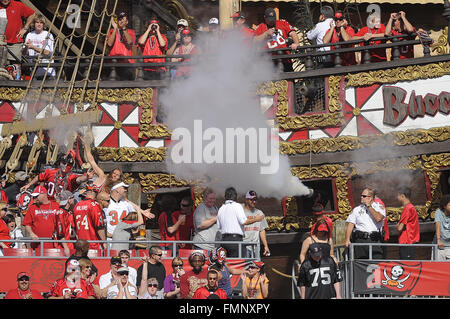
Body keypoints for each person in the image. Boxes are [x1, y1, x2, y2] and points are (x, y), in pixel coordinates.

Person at [21, 152, 91, 201]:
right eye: (64, 163)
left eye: (68, 164)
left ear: (72, 167)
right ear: (60, 163)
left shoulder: (71, 176)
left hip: (62, 205)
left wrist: (86, 177)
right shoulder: (50, 172)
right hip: (48, 202)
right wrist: (28, 185)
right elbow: (39, 177)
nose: (66, 166)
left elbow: (79, 179)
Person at [217, 187, 264, 257]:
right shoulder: (237, 206)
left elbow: (219, 226)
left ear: (225, 197)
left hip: (224, 240)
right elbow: (243, 221)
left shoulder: (221, 208)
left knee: (226, 264)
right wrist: (256, 219)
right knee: (238, 264)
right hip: (235, 240)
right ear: (235, 196)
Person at [253, 7, 300, 72]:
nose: (272, 21)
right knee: (271, 82)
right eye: (269, 20)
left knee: (288, 81)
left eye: (273, 19)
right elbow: (254, 40)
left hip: (285, 60)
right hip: (269, 62)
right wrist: (265, 34)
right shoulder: (260, 27)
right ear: (265, 18)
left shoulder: (282, 23)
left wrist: (296, 43)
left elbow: (293, 33)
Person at [344, 187, 385, 259]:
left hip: (374, 240)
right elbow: (350, 224)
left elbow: (378, 218)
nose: (361, 197)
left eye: (364, 196)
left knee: (376, 263)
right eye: (361, 195)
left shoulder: (379, 207)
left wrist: (369, 207)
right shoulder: (357, 209)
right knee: (360, 263)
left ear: (370, 198)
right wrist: (347, 239)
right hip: (360, 240)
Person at [1, 0, 35, 78]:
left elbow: (32, 14)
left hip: (15, 42)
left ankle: (16, 85)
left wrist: (25, 28)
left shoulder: (18, 5)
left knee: (16, 65)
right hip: (1, 42)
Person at [22, 185, 59, 251]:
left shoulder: (56, 206)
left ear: (44, 195)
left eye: (36, 196)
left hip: (54, 244)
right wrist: (31, 233)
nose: (35, 198)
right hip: (37, 244)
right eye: (34, 196)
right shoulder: (32, 208)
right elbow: (27, 224)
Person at [73, 184, 106, 250]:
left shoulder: (77, 205)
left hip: (81, 244)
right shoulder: (94, 205)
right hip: (93, 243)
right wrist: (104, 242)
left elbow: (74, 227)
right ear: (95, 193)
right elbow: (99, 226)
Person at [23, 13, 55, 79]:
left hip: (47, 71)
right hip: (34, 72)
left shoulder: (48, 35)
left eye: (41, 22)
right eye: (37, 22)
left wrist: (33, 47)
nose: (39, 24)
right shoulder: (29, 35)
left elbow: (48, 52)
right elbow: (24, 54)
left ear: (44, 24)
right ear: (34, 24)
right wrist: (26, 47)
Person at [105, 11, 136, 80]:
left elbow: (130, 42)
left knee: (127, 87)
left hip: (127, 63)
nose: (121, 21)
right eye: (119, 19)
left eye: (123, 19)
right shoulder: (112, 31)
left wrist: (124, 28)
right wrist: (115, 28)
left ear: (127, 22)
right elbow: (109, 44)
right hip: (113, 63)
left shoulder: (131, 31)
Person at [242, 190, 270, 258]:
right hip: (243, 246)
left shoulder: (259, 213)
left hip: (255, 247)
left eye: (255, 199)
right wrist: (256, 219)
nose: (254, 202)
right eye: (251, 200)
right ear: (246, 200)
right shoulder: (241, 212)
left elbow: (262, 230)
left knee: (256, 267)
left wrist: (266, 246)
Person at [396, 187, 420, 260]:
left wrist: (397, 226)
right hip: (410, 239)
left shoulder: (407, 208)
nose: (397, 197)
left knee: (406, 264)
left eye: (398, 195)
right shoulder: (411, 207)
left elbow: (400, 228)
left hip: (407, 240)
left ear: (403, 196)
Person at [55, 190, 75, 255]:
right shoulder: (61, 213)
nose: (74, 199)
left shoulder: (66, 212)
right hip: (64, 246)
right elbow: (60, 232)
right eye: (72, 197)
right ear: (69, 200)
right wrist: (65, 247)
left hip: (69, 244)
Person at [434, 194, 450, 261]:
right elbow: (438, 226)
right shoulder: (438, 212)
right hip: (440, 244)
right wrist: (438, 240)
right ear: (444, 206)